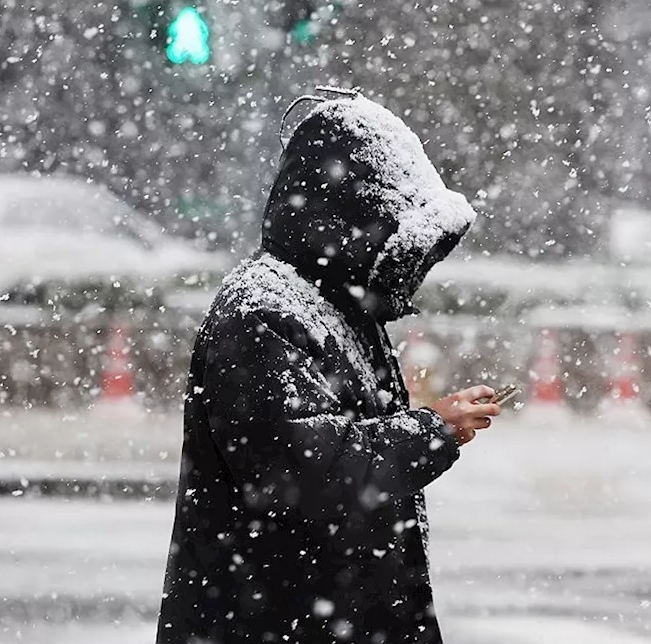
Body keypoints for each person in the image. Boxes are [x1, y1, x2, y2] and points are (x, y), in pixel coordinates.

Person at [157, 92, 500, 644]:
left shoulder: (337, 308)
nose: (407, 271)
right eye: (398, 243)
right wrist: (429, 431)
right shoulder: (262, 315)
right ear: (351, 220)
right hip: (276, 620)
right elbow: (308, 477)